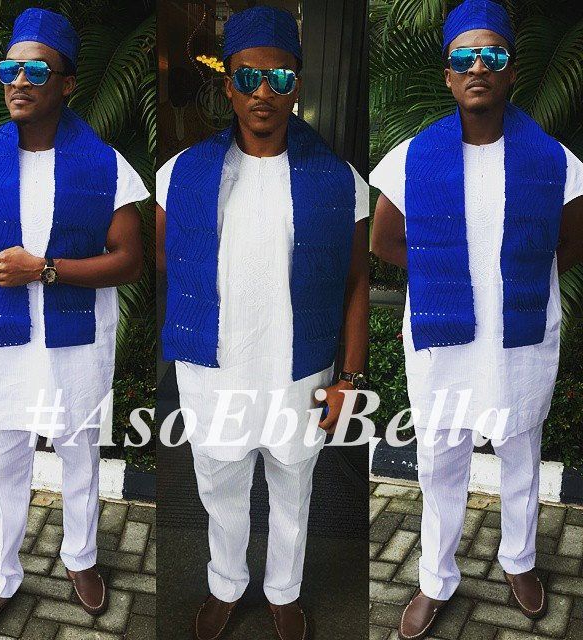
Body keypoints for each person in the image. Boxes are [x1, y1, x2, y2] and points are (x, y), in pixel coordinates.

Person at [370, 1, 583, 638]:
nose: (478, 68)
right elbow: (384, 241)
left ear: (511, 70)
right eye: (464, 57)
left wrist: (514, 278)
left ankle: (519, 560)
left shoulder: (555, 160)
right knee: (440, 458)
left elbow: (572, 241)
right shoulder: (412, 157)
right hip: (445, 341)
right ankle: (435, 578)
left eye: (492, 55)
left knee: (520, 450)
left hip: (519, 336)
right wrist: (452, 274)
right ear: (449, 75)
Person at [156, 6, 369, 639]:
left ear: (297, 85)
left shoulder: (341, 181)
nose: (263, 93)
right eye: (249, 77)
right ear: (229, 85)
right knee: (218, 487)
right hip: (215, 369)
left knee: (293, 489)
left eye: (279, 78)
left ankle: (283, 592)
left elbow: (357, 282)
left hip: (297, 372)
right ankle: (226, 584)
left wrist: (349, 378)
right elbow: (170, 262)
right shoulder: (180, 175)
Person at [0, 8, 149, 640]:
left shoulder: (105, 165)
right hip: (3, 344)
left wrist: (44, 271)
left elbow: (130, 259)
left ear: (67, 84)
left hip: (75, 345)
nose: (19, 81)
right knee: (2, 459)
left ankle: (80, 557)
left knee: (78, 453)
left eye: (36, 71)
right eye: (11, 69)